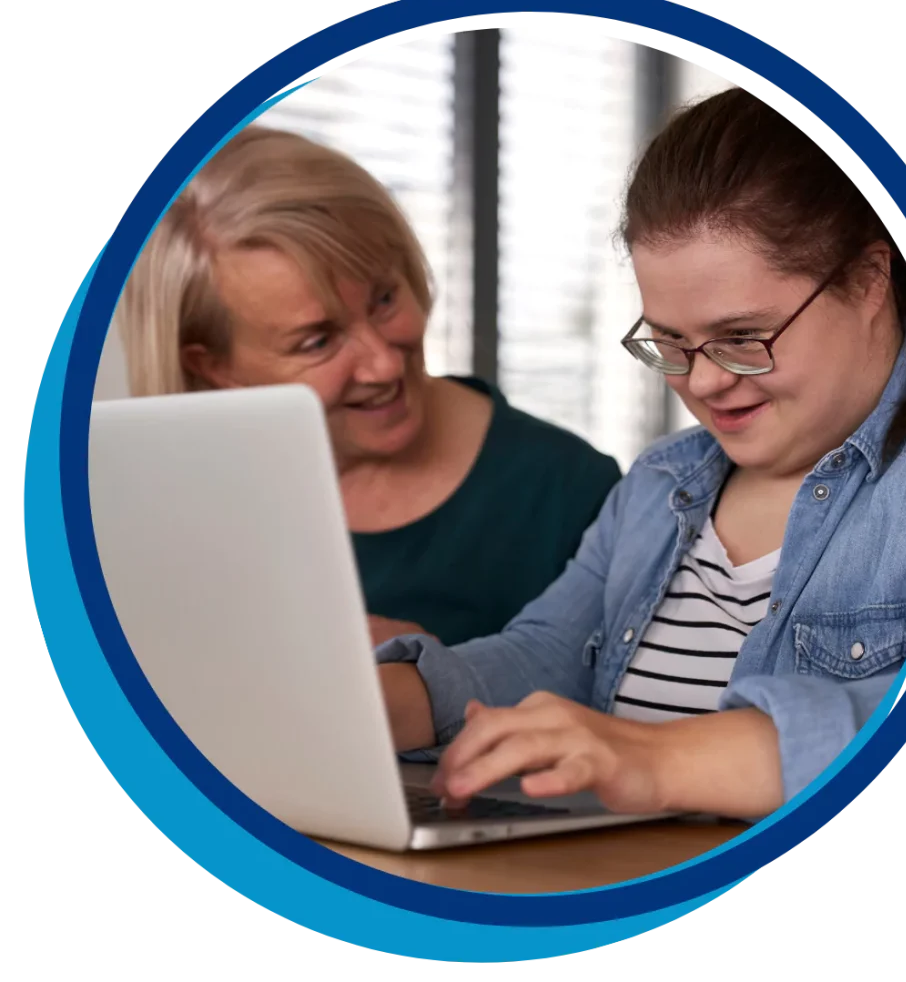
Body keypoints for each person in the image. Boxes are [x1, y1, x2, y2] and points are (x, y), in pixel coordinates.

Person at [373, 86, 906, 822]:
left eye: (743, 338)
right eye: (670, 343)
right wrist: (387, 703)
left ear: (870, 281)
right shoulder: (660, 481)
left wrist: (655, 757)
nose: (704, 382)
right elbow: (551, 653)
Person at [115, 126, 622, 649]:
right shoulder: (171, 511)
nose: (383, 365)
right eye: (317, 341)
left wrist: (437, 681)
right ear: (213, 367)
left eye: (383, 299)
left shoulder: (574, 492)